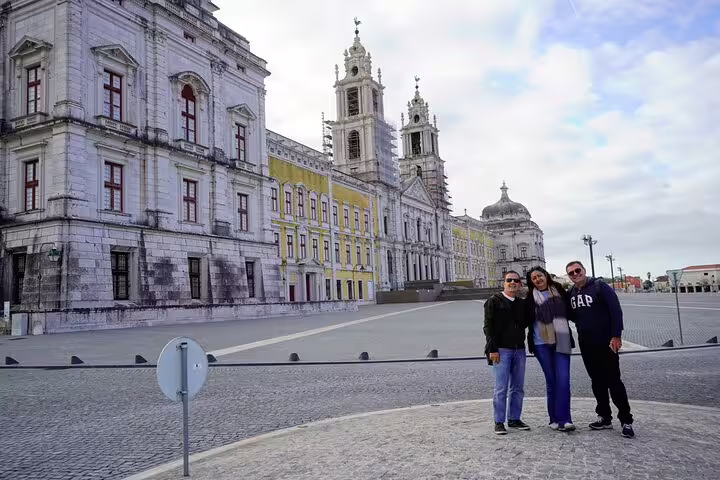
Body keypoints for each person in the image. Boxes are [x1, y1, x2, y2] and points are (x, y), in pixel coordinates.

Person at [566, 260, 635, 438]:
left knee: (614, 381)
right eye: (571, 273)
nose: (575, 275)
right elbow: (572, 315)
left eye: (577, 270)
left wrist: (616, 335)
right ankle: (604, 417)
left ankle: (626, 420)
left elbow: (615, 311)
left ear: (584, 270)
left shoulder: (599, 286)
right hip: (586, 344)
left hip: (606, 342)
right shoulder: (572, 292)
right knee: (596, 381)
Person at [525, 266, 576, 432]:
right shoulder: (530, 298)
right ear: (531, 282)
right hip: (541, 344)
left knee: (563, 379)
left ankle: (565, 420)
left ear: (546, 276)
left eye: (540, 275)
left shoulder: (559, 290)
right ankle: (553, 418)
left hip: (562, 340)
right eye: (534, 278)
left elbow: (572, 310)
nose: (538, 279)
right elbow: (523, 319)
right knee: (552, 381)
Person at [484, 270, 531, 435]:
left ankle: (514, 419)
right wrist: (492, 349)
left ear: (519, 284)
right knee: (501, 388)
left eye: (515, 280)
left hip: (519, 349)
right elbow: (488, 327)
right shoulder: (493, 301)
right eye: (509, 280)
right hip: (501, 350)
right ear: (504, 283)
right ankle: (499, 421)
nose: (512, 283)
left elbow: (526, 322)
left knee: (518, 387)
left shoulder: (522, 303)